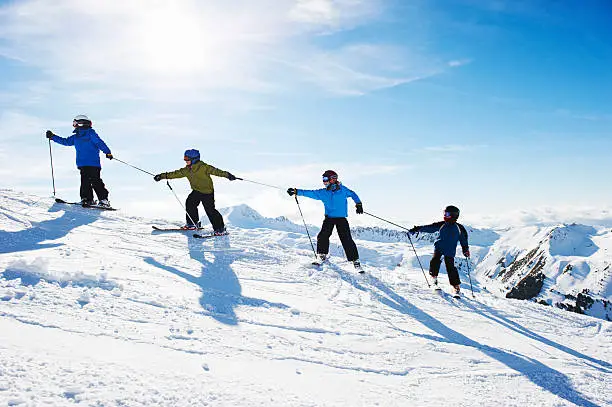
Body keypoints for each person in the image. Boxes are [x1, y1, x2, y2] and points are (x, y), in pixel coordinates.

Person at [287, 170, 364, 271]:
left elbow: (353, 194)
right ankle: (322, 255)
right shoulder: (324, 192)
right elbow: (310, 193)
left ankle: (355, 261)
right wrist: (296, 191)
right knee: (323, 235)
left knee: (346, 239)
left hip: (341, 218)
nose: (324, 181)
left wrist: (358, 204)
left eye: (325, 179)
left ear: (333, 179)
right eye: (323, 179)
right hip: (329, 218)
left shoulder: (343, 190)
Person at [154, 149, 237, 234]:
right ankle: (192, 224)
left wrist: (228, 175)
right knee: (190, 203)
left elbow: (217, 171)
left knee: (210, 210)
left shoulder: (204, 167)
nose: (185, 161)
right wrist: (161, 176)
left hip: (207, 192)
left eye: (187, 159)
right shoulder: (186, 170)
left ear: (194, 159)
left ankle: (220, 229)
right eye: (185, 158)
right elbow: (175, 174)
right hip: (196, 191)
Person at [46, 115, 113, 208]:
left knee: (95, 181)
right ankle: (87, 199)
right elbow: (65, 141)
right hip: (83, 164)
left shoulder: (91, 134)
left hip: (93, 164)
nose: (74, 125)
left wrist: (107, 152)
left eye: (75, 123)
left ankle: (104, 200)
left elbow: (99, 143)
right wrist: (53, 137)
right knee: (85, 181)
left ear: (81, 124)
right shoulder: (76, 137)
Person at [409, 205, 470, 296]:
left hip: (450, 250)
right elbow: (430, 228)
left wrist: (465, 249)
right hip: (439, 247)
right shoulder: (442, 224)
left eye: (447, 213)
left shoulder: (459, 228)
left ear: (454, 215)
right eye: (444, 213)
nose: (445, 215)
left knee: (450, 267)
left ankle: (455, 286)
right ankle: (434, 279)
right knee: (434, 261)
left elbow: (464, 240)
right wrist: (418, 229)